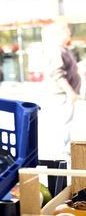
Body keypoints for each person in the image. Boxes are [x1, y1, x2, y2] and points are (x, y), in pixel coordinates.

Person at [43, 22, 81, 158]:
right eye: (67, 32)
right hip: (61, 95)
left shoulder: (63, 49)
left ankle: (64, 152)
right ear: (60, 33)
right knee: (63, 125)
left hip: (64, 94)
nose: (69, 34)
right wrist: (70, 91)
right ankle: (62, 154)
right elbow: (57, 73)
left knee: (66, 124)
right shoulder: (56, 50)